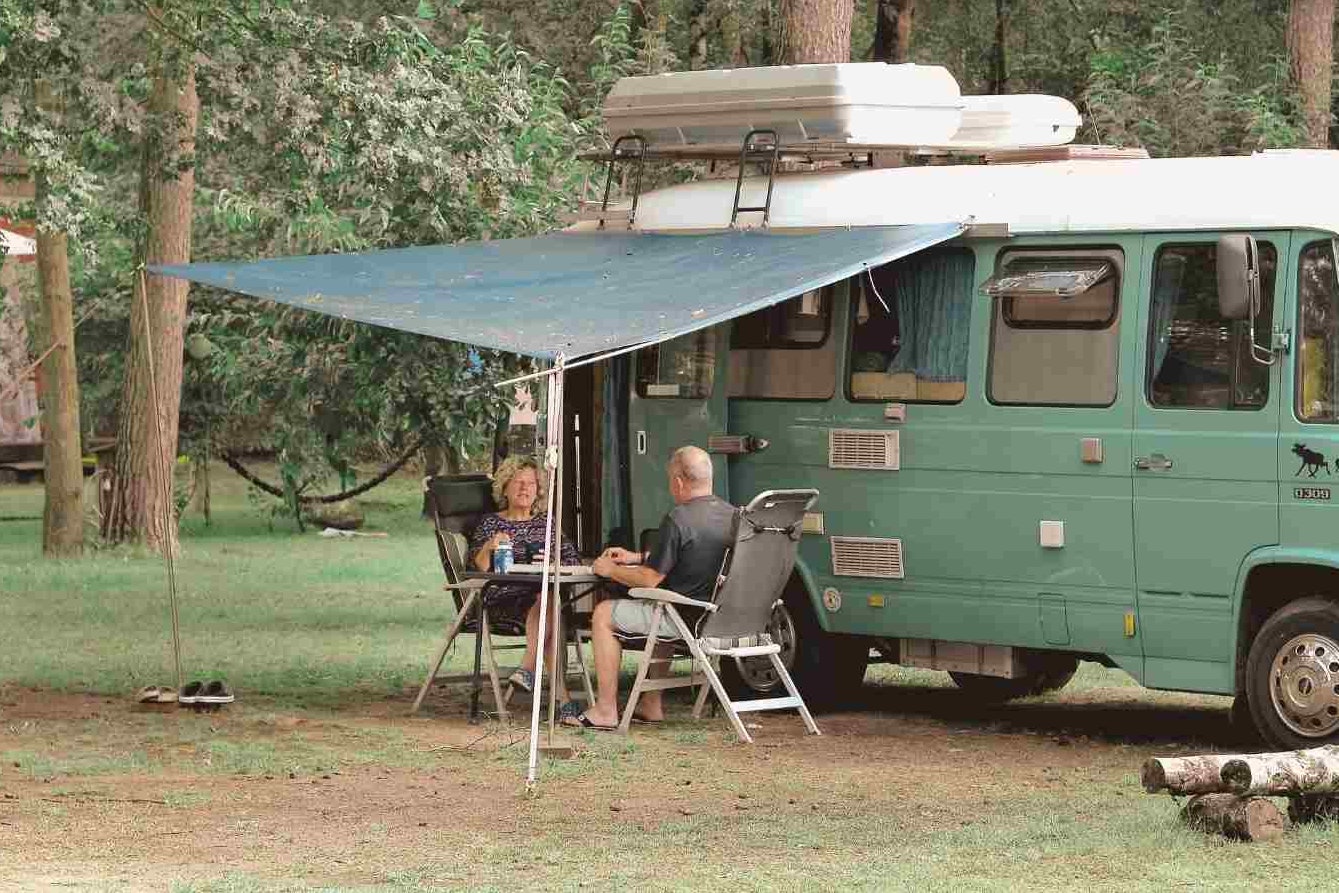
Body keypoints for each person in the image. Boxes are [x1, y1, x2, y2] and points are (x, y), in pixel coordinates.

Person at [565, 445, 735, 730]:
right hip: (718, 616)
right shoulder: (732, 516)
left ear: (679, 481)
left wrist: (611, 569)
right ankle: (650, 704)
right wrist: (637, 557)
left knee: (604, 613)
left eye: (671, 480)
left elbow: (649, 580)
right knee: (661, 607)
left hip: (686, 619)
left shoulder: (679, 518)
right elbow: (696, 553)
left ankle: (606, 709)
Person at [470, 456, 580, 697]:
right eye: (518, 482)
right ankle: (562, 700)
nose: (524, 488)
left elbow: (573, 559)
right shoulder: (491, 523)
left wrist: (553, 563)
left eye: (531, 483)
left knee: (548, 601)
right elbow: (477, 568)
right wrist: (490, 545)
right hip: (504, 601)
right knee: (551, 613)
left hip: (543, 598)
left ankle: (528, 669)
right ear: (505, 488)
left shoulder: (547, 523)